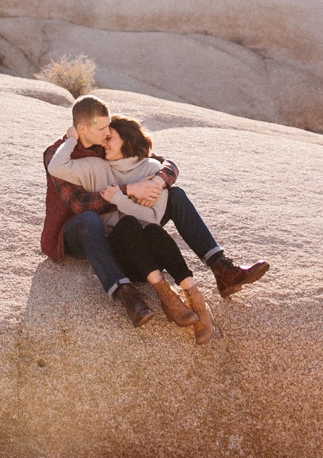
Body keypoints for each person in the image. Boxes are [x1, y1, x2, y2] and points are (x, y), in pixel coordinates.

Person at [41, 95, 268, 328]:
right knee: (89, 219)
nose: (107, 133)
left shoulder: (102, 144)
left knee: (176, 195)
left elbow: (163, 162)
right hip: (75, 232)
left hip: (118, 223)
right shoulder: (56, 154)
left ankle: (221, 268)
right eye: (102, 129)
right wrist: (130, 190)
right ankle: (126, 294)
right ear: (82, 129)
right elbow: (80, 205)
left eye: (108, 127)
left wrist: (157, 182)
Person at [50, 115, 219, 344]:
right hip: (114, 251)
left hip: (143, 254)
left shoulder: (152, 170)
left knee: (154, 232)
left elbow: (154, 218)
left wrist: (125, 196)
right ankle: (162, 293)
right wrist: (70, 139)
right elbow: (60, 172)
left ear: (126, 139)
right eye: (103, 136)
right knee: (128, 225)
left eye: (109, 137)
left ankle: (194, 297)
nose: (103, 142)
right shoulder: (96, 166)